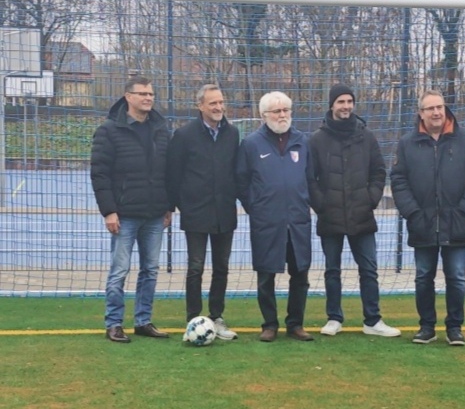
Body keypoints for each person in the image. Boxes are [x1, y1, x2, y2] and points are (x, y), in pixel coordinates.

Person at [390, 89, 465, 346]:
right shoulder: (407, 143)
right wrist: (412, 212)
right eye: (430, 108)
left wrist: (464, 210)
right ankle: (426, 327)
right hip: (422, 224)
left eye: (439, 107)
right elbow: (398, 180)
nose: (436, 112)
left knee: (456, 276)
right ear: (421, 113)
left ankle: (454, 328)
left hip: (457, 223)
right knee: (424, 276)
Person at [309, 84, 401, 338]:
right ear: (332, 105)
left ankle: (372, 320)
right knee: (332, 269)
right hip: (331, 216)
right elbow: (310, 178)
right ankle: (334, 317)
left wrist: (370, 199)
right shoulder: (317, 139)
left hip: (362, 214)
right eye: (341, 101)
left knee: (369, 269)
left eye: (349, 101)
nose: (346, 106)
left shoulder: (366, 136)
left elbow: (378, 171)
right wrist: (322, 205)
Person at [91, 76, 172, 343]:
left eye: (151, 94)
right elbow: (100, 174)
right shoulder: (109, 130)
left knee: (150, 269)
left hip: (154, 214)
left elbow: (166, 172)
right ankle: (113, 323)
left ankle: (143, 321)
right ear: (128, 96)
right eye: (142, 94)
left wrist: (168, 206)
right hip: (124, 215)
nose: (148, 98)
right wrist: (109, 211)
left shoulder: (161, 130)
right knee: (120, 270)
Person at [236, 91, 313, 342]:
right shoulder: (250, 144)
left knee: (300, 274)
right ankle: (269, 324)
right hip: (266, 222)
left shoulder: (303, 141)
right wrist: (257, 209)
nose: (282, 115)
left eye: (286, 110)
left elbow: (311, 178)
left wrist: (303, 203)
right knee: (265, 275)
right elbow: (242, 182)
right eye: (276, 111)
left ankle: (296, 324)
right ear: (263, 115)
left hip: (298, 221)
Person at [166, 84, 239, 341]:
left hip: (225, 213)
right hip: (196, 213)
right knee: (195, 267)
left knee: (222, 267)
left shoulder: (232, 133)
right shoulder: (184, 135)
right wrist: (178, 206)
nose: (219, 107)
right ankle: (194, 319)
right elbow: (173, 174)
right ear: (200, 106)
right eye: (213, 103)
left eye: (221, 102)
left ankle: (217, 316)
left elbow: (235, 172)